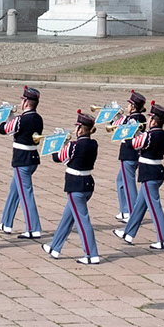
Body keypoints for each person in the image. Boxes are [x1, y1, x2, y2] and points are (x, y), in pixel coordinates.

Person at [47, 110, 102, 264]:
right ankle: (55, 247)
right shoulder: (93, 143)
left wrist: (58, 141)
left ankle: (92, 254)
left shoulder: (74, 146)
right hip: (87, 183)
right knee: (67, 218)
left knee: (83, 222)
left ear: (79, 129)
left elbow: (56, 157)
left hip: (75, 186)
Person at [119, 102, 164, 249]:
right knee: (139, 206)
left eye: (150, 119)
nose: (148, 121)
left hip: (150, 174)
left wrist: (129, 132)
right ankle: (128, 233)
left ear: (154, 121)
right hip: (156, 171)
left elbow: (132, 145)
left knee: (155, 208)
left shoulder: (150, 135)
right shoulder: (163, 134)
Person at [0, 85, 44, 240]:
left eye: (22, 100)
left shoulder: (22, 119)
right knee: (14, 191)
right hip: (32, 158)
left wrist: (5, 116)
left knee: (25, 194)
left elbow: (3, 129)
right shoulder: (38, 118)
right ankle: (6, 223)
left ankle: (33, 228)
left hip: (21, 159)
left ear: (25, 102)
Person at [113, 89, 147, 224]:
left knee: (128, 184)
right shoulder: (138, 118)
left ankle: (132, 212)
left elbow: (120, 131)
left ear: (133, 106)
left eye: (129, 105)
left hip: (129, 153)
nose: (127, 107)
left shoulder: (134, 119)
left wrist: (117, 117)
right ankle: (125, 210)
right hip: (131, 153)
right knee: (120, 181)